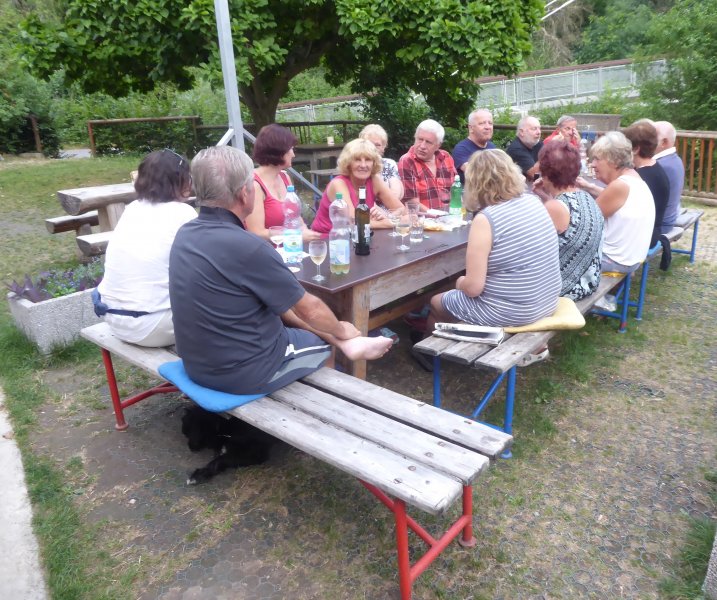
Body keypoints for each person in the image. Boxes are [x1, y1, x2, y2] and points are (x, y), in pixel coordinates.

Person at [168, 146, 393, 396]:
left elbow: (286, 305)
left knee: (287, 311)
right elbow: (310, 308)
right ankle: (326, 409)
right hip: (242, 372)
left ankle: (347, 346)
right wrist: (341, 330)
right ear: (244, 193)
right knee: (323, 347)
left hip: (197, 362)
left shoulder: (185, 233)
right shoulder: (249, 247)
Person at [427, 149, 561, 329]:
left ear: (475, 182)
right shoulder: (533, 201)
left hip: (513, 312)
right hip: (546, 301)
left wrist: (459, 282)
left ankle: (431, 355)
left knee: (437, 301)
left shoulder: (486, 219)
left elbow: (474, 288)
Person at [95, 149, 196, 347]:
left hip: (114, 318)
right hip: (152, 324)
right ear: (181, 181)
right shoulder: (183, 213)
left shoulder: (133, 208)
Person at [533, 140, 604, 300]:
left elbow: (532, 252)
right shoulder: (586, 197)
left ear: (546, 172)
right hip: (588, 281)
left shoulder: (555, 207)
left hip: (564, 289)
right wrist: (544, 195)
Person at [578, 131, 655, 274]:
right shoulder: (634, 178)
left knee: (557, 253)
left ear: (613, 160)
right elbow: (620, 204)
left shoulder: (619, 186)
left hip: (615, 261)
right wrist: (590, 187)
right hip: (633, 258)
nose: (593, 164)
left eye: (597, 159)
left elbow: (584, 224)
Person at [245, 123, 320, 243]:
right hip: (265, 253)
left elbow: (294, 216)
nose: (293, 154)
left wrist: (305, 230)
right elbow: (256, 232)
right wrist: (296, 237)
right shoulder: (254, 184)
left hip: (289, 249)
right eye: (291, 149)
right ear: (278, 150)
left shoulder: (285, 177)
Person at [311, 138, 402, 234]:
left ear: (374, 163)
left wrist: (388, 216)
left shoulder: (375, 180)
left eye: (368, 160)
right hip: (328, 239)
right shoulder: (338, 184)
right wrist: (390, 223)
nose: (363, 165)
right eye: (357, 160)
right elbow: (354, 221)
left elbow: (401, 210)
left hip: (359, 238)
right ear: (348, 163)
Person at [622, 120, 670, 246]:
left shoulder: (640, 178)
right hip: (652, 232)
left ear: (636, 149)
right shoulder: (655, 168)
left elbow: (618, 203)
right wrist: (591, 187)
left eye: (626, 147)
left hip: (643, 237)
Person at [398, 119, 457, 211]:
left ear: (438, 145)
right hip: (423, 220)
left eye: (428, 142)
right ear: (415, 138)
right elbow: (412, 202)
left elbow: (456, 189)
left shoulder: (446, 157)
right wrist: (436, 215)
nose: (422, 146)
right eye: (420, 139)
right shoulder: (407, 161)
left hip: (450, 217)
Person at [653, 120, 687, 232]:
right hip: (669, 218)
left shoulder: (661, 165)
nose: (646, 140)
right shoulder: (674, 159)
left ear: (664, 142)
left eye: (652, 136)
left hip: (660, 225)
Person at [359, 124, 404, 201]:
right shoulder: (359, 166)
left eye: (377, 145)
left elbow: (396, 194)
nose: (373, 148)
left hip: (392, 209)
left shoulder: (389, 164)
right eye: (369, 144)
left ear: (383, 147)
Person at [452, 109, 496, 181]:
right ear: (471, 128)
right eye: (482, 123)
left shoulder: (492, 147)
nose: (487, 127)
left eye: (490, 123)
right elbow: (476, 174)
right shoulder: (461, 149)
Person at [505, 115, 543, 181]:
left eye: (539, 128)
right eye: (534, 129)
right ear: (522, 132)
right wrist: (550, 152)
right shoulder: (516, 149)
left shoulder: (537, 143)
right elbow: (535, 175)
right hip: (518, 189)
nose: (539, 132)